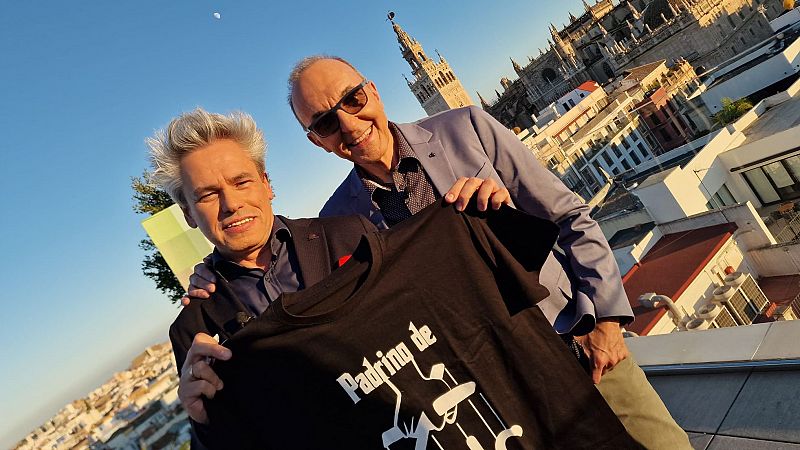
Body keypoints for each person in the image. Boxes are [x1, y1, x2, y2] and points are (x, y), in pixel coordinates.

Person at [186, 56, 690, 449]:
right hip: (498, 379)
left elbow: (567, 216)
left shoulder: (467, 129)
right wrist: (215, 275)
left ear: (374, 91)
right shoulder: (339, 219)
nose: (349, 123)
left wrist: (604, 322)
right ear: (317, 141)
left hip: (576, 338)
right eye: (325, 123)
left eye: (353, 98)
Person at [152, 108, 512, 446]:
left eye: (241, 182)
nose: (231, 204)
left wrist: (489, 219)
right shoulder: (194, 330)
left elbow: (441, 310)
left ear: (267, 184)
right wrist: (202, 423)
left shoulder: (350, 234)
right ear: (187, 213)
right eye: (208, 195)